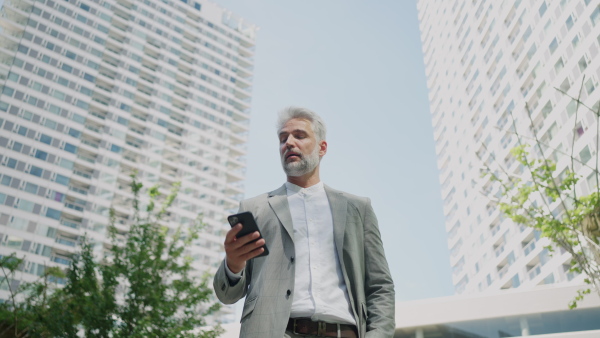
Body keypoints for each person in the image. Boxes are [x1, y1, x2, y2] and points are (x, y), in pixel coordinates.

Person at [213, 107, 395, 338]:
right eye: (282, 139)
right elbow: (227, 295)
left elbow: (380, 285)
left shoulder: (358, 208)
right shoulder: (254, 208)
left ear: (322, 148)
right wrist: (233, 264)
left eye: (299, 136)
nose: (288, 143)